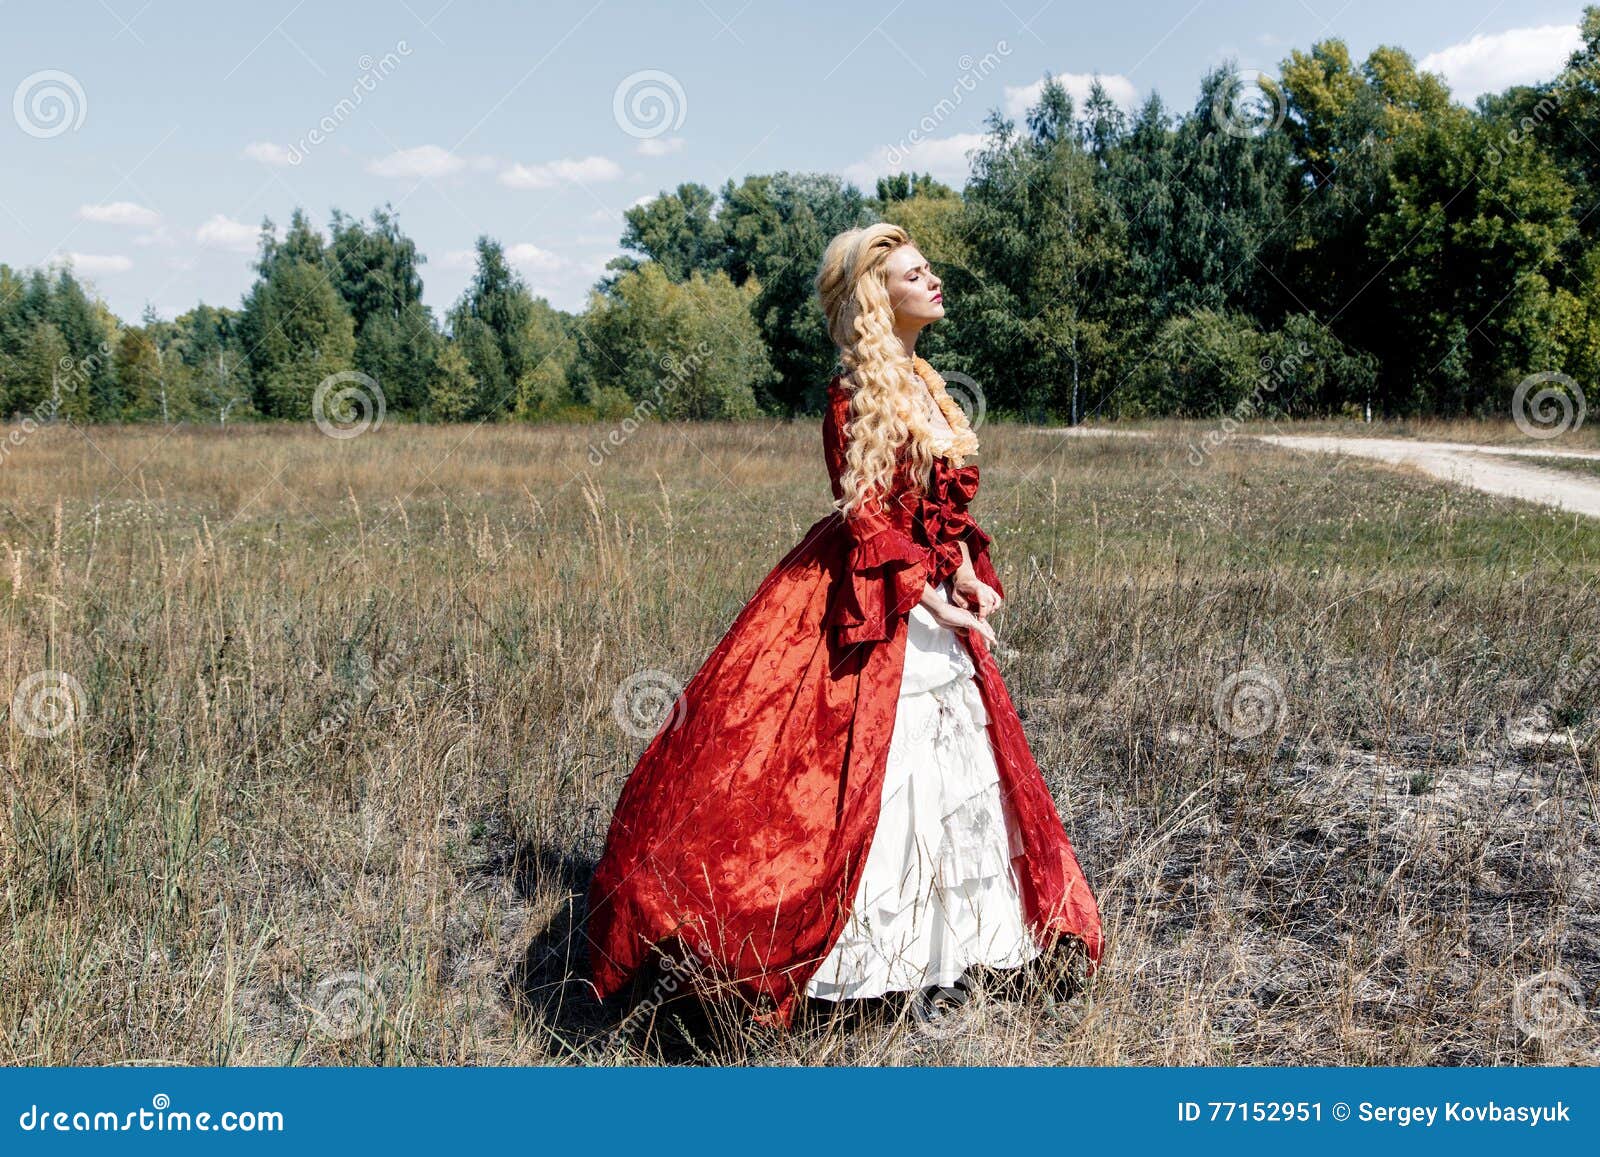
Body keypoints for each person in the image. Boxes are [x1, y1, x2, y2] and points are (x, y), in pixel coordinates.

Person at [584, 222, 1104, 1032]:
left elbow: (937, 511)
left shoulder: (929, 384)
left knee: (950, 767)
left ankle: (949, 952)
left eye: (928, 267)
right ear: (877, 299)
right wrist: (933, 598)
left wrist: (964, 567)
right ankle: (852, 963)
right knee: (824, 774)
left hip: (926, 592)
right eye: (913, 274)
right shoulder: (852, 396)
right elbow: (867, 518)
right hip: (865, 598)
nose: (933, 280)